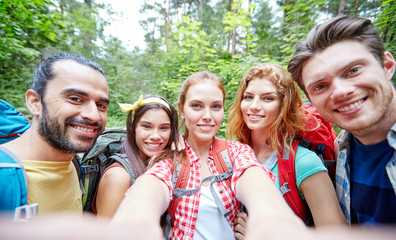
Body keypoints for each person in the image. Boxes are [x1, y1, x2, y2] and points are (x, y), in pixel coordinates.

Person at [112, 71, 306, 239]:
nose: (207, 116)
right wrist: (136, 218)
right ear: (182, 109)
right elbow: (151, 186)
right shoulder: (168, 158)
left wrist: (270, 215)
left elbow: (255, 182)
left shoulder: (237, 151)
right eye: (197, 106)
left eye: (215, 106)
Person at [288, 15, 396, 225]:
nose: (340, 92)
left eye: (353, 71)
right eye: (320, 86)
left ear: (387, 65)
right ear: (311, 101)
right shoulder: (343, 150)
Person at [227, 63, 345, 228]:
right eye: (248, 97)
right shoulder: (231, 153)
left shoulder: (304, 162)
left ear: (284, 106)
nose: (254, 106)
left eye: (268, 98)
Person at [1, 53, 109, 216]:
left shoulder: (73, 162)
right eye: (75, 98)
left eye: (101, 105)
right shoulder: (4, 175)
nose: (93, 115)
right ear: (35, 103)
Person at [94, 95, 179, 218]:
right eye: (146, 126)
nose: (155, 136)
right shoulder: (119, 177)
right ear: (133, 128)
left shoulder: (161, 164)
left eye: (164, 128)